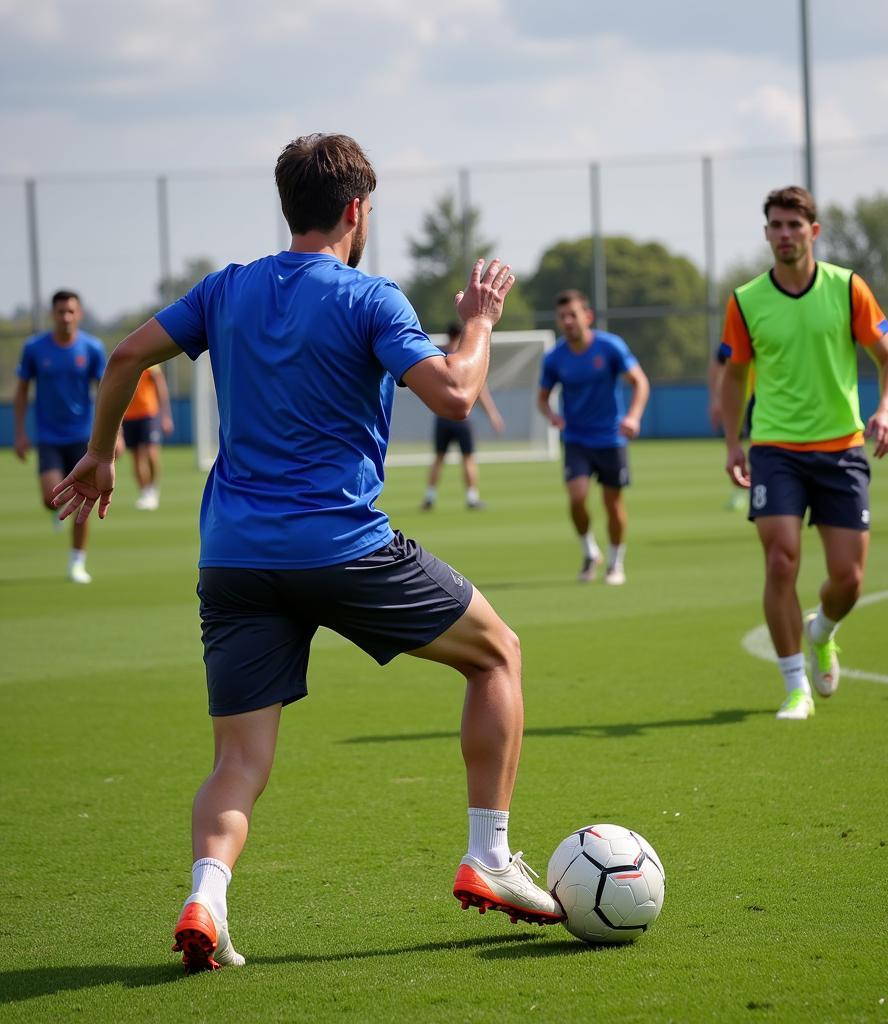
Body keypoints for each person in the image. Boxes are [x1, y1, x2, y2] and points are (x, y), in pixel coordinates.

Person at [49, 133, 563, 974]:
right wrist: (477, 323)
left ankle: (206, 899)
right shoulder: (372, 298)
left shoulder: (226, 289)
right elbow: (459, 395)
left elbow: (126, 354)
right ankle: (491, 856)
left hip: (234, 559)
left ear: (287, 205)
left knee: (238, 762)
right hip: (343, 548)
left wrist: (101, 452)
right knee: (497, 655)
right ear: (357, 210)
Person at [719, 186, 888, 721]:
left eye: (794, 226)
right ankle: (795, 686)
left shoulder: (848, 289)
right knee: (781, 560)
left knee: (848, 579)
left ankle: (822, 629)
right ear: (766, 233)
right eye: (776, 226)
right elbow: (733, 376)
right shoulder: (746, 299)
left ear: (813, 232)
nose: (785, 235)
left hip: (842, 448)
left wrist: (886, 409)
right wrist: (734, 441)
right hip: (775, 448)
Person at [537, 290, 650, 585]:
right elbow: (542, 398)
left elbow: (640, 382)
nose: (567, 321)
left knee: (613, 503)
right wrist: (552, 416)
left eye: (573, 315)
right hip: (576, 439)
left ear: (587, 316)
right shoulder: (555, 357)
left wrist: (633, 416)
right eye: (562, 316)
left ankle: (615, 563)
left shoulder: (610, 347)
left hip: (611, 439)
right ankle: (590, 551)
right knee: (576, 497)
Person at [14, 290, 107, 584]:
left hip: (84, 438)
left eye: (71, 311)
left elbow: (106, 393)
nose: (65, 317)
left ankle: (77, 562)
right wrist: (19, 432)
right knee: (51, 498)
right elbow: (21, 390)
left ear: (79, 314)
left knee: (81, 500)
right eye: (60, 312)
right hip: (49, 437)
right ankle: (55, 513)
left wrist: (114, 433)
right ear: (52, 314)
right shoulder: (35, 349)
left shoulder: (92, 348)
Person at [421, 321, 505, 510]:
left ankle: (429, 497)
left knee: (438, 458)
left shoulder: (437, 356)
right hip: (462, 419)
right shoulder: (464, 359)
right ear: (459, 336)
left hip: (442, 417)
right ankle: (472, 497)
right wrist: (493, 414)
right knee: (468, 458)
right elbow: (479, 390)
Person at [121, 364, 175, 510]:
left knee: (152, 453)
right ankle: (145, 493)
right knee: (137, 457)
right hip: (129, 416)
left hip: (149, 414)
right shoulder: (124, 360)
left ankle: (153, 488)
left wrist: (166, 416)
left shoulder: (151, 363)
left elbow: (161, 388)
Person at [708, 342, 749, 511]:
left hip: (765, 400)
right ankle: (740, 491)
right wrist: (716, 399)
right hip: (741, 401)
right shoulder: (736, 335)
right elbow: (718, 364)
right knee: (737, 446)